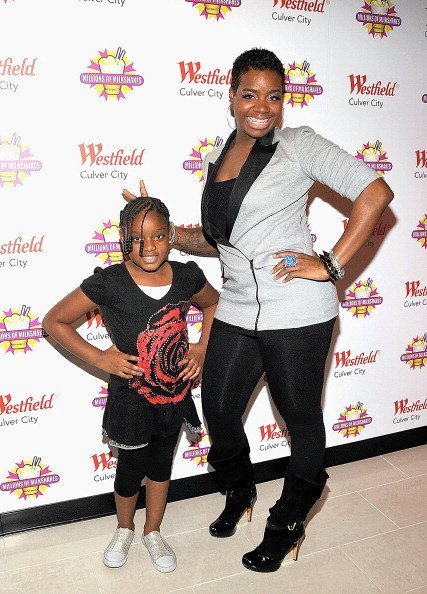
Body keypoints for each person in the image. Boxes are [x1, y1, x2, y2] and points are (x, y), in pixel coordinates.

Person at [123, 48, 393, 572]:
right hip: (237, 309)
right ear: (231, 97)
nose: (261, 106)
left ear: (283, 102)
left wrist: (331, 264)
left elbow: (376, 193)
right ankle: (240, 490)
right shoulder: (217, 159)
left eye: (273, 96)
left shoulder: (297, 145)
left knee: (301, 424)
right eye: (250, 94)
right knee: (221, 413)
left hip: (297, 311)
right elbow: (220, 243)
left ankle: (288, 522)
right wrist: (164, 232)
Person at [43, 197, 218, 572]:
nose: (149, 246)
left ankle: (152, 531)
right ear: (123, 238)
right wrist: (100, 359)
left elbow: (213, 304)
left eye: (157, 236)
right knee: (129, 469)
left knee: (160, 466)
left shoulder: (187, 276)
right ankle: (124, 528)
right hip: (130, 400)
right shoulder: (109, 282)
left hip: (174, 395)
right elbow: (54, 321)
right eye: (137, 238)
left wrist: (202, 346)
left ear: (171, 236)